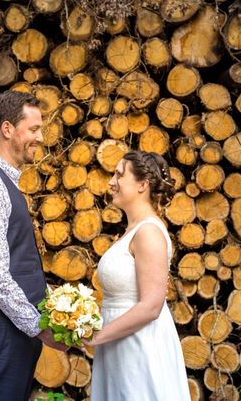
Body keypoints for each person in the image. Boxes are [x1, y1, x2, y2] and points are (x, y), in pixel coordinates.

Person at [0, 90, 66, 401]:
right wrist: (37, 326)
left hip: (11, 332)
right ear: (7, 129)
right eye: (33, 129)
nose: (40, 137)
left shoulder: (2, 181)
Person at [85, 150, 192, 400]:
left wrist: (98, 336)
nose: (111, 181)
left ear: (142, 185)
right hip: (119, 346)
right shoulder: (132, 230)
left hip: (139, 348)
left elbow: (151, 306)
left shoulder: (148, 232)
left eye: (119, 175)